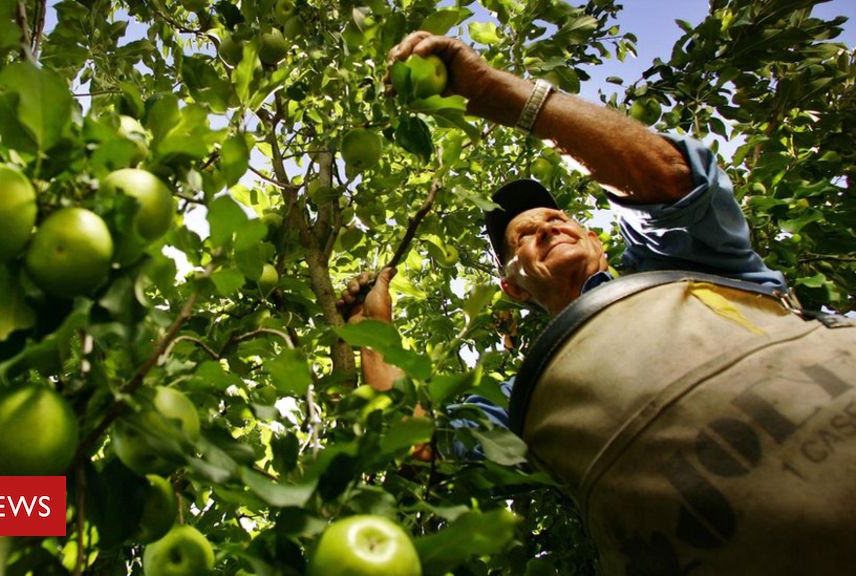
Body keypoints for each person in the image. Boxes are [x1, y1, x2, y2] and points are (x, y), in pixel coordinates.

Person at [339, 32, 856, 576]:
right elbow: (420, 449)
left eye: (557, 219)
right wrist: (372, 331)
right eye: (523, 237)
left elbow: (668, 178)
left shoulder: (687, 266)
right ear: (512, 287)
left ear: (596, 240)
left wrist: (495, 94)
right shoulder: (532, 399)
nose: (547, 228)